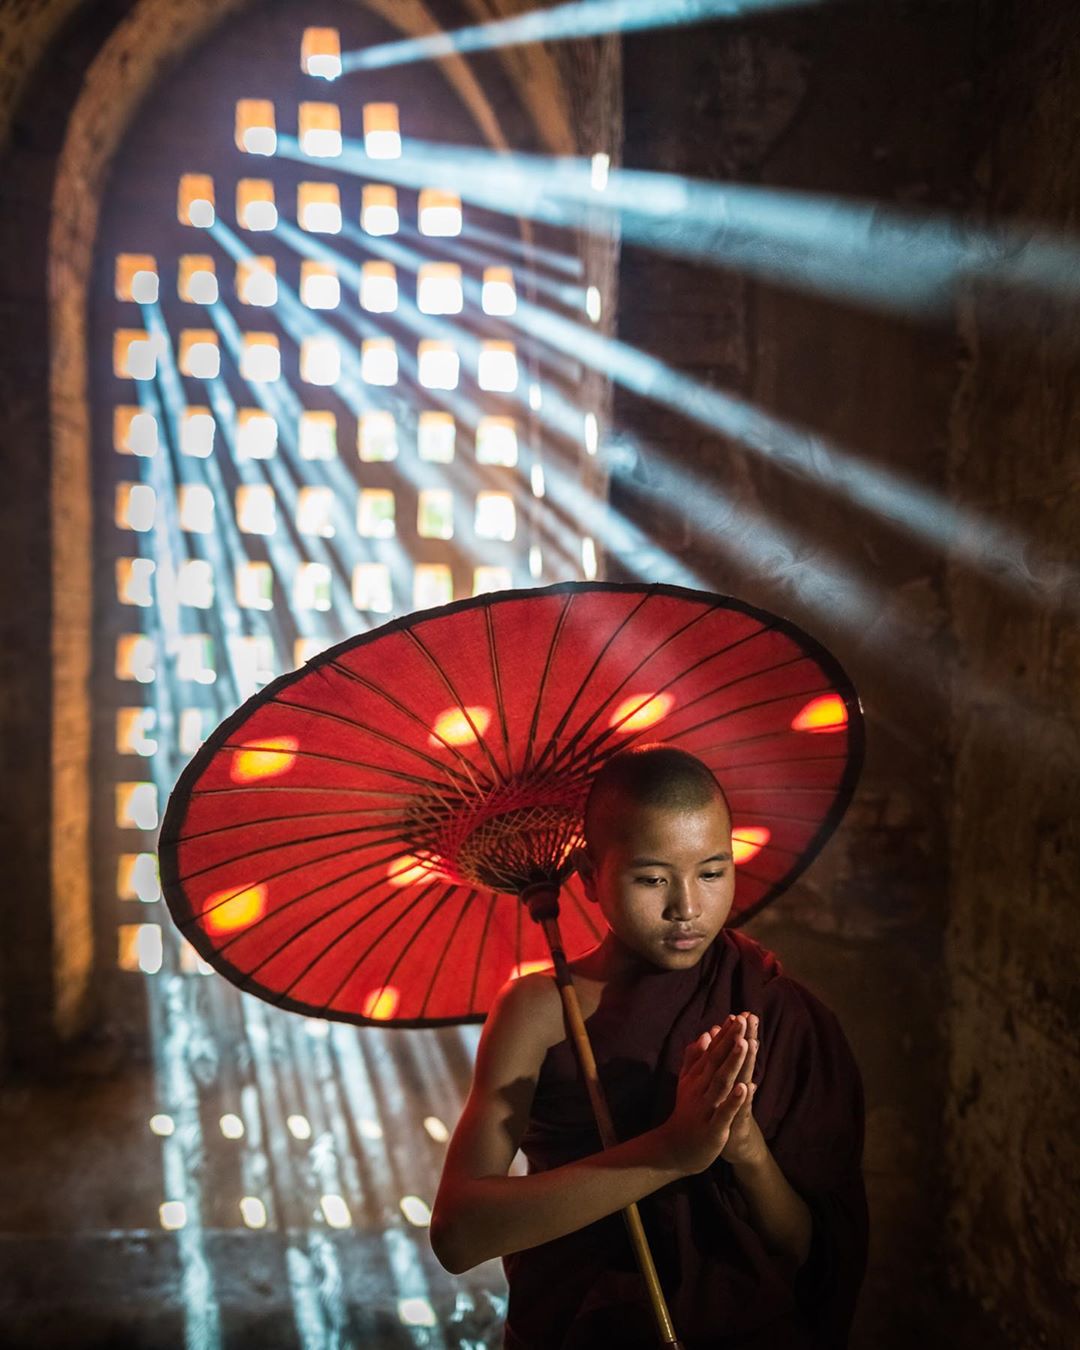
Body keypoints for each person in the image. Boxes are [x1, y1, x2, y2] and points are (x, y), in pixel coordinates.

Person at [430, 743, 869, 1349]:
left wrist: (746, 1150)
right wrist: (670, 1150)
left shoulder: (778, 1010)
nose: (687, 908)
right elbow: (459, 1235)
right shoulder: (540, 1012)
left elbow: (805, 1254)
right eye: (653, 878)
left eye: (712, 872)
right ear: (589, 876)